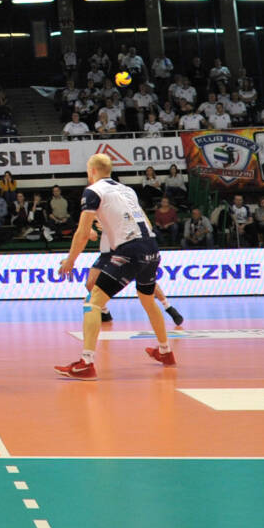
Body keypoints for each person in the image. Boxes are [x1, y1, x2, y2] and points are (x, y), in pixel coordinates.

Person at [55, 153, 173, 378]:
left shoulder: (93, 191)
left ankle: (86, 363)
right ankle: (166, 351)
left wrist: (70, 261)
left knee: (93, 302)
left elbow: (82, 233)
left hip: (130, 250)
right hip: (151, 247)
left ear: (91, 171)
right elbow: (146, 223)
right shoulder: (127, 190)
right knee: (148, 300)